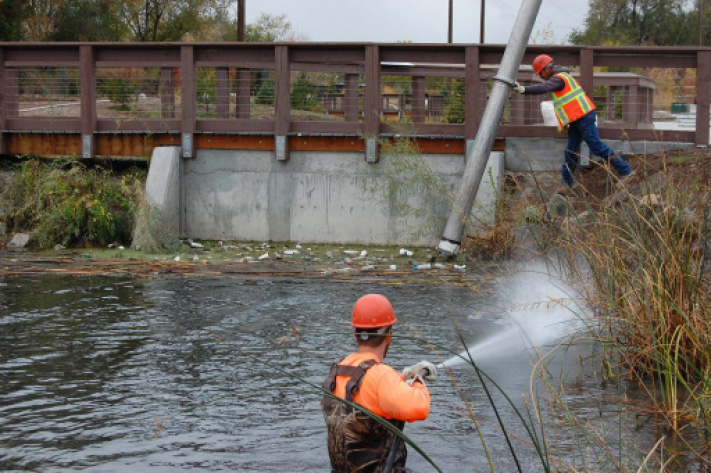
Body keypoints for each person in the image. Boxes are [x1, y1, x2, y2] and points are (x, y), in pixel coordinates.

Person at [321, 293, 436, 473]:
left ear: (355, 333)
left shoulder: (337, 370)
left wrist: (402, 378)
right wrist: (418, 380)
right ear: (388, 334)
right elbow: (419, 407)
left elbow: (372, 393)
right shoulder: (381, 375)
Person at [513, 54, 635, 187]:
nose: (541, 77)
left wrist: (523, 89)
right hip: (577, 118)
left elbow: (543, 88)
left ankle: (626, 171)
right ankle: (567, 184)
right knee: (571, 151)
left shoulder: (558, 79)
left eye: (540, 73)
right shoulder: (561, 76)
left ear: (546, 69)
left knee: (596, 146)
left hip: (583, 116)